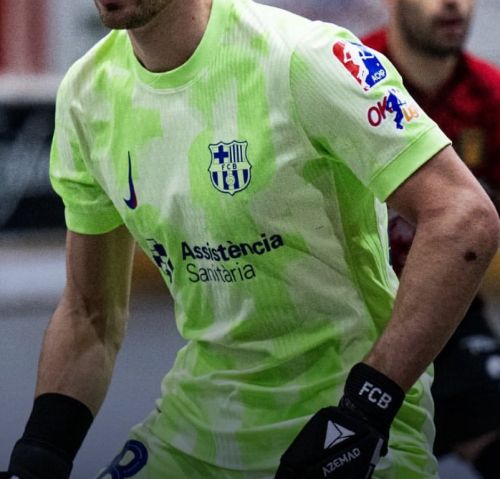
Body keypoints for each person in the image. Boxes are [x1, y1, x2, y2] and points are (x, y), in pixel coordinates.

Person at [1, 0, 498, 478]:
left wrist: (365, 410)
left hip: (347, 425)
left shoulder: (305, 58)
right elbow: (89, 313)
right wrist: (38, 457)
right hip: (197, 430)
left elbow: (464, 217)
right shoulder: (87, 93)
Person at [362, 0, 500, 477]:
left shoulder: (488, 95)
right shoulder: (348, 79)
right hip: (354, 313)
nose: (452, 4)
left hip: (448, 310)